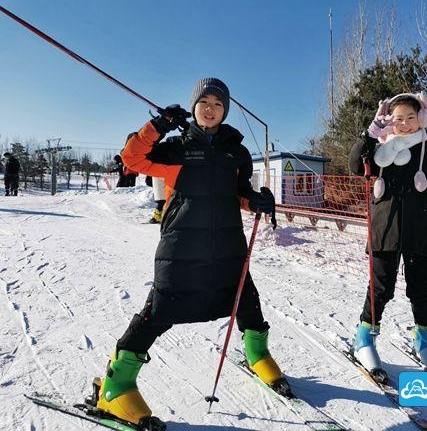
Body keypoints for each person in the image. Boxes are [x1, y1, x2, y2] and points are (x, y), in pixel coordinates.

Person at [94, 78, 285, 426]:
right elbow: (132, 159)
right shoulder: (176, 148)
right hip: (182, 246)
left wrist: (254, 200)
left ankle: (257, 353)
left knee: (245, 298)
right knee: (162, 307)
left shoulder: (235, 152)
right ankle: (116, 386)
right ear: (194, 107)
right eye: (204, 102)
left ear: (225, 110)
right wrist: (158, 125)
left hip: (226, 244)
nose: (210, 108)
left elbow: (239, 192)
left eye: (217, 103)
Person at [348, 93, 427, 383]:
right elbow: (353, 165)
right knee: (380, 288)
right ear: (391, 121)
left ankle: (425, 342)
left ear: (421, 119)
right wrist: (371, 132)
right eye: (398, 119)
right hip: (384, 231)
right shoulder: (380, 152)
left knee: (421, 289)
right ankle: (364, 339)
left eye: (411, 117)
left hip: (420, 232)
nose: (405, 124)